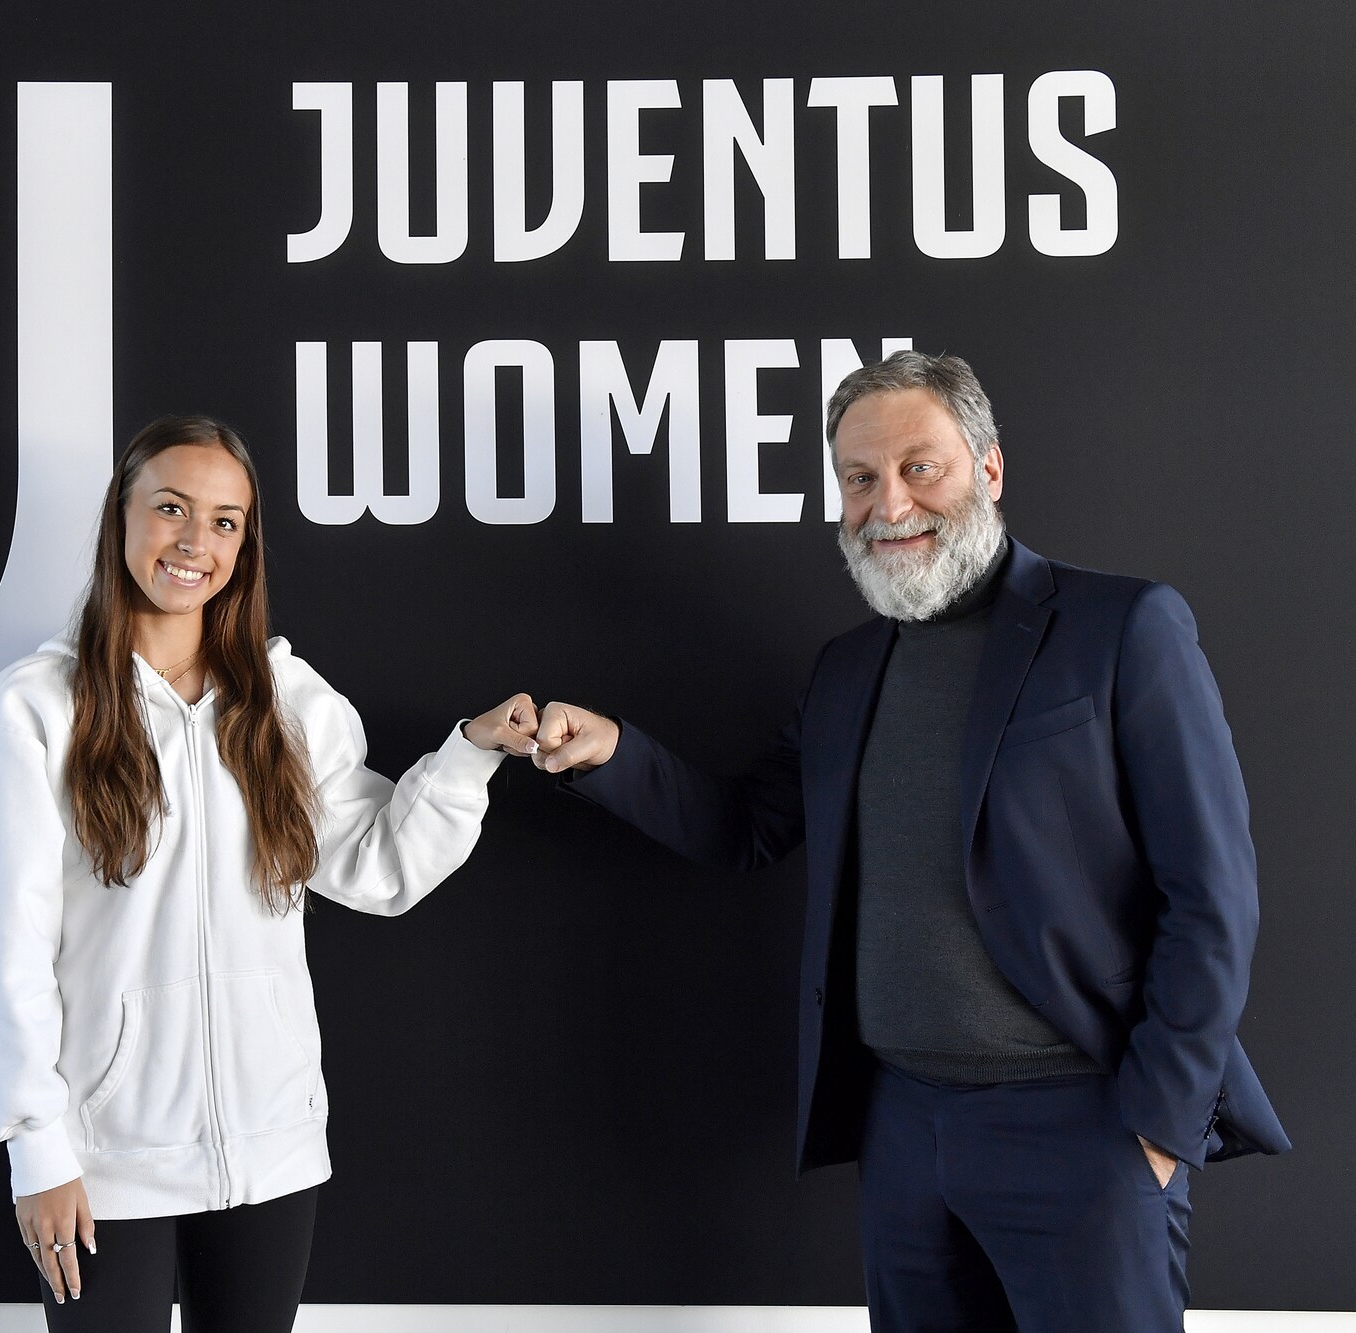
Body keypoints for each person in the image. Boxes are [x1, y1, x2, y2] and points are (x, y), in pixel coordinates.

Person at [530, 352, 1289, 1332]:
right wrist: (612, 752)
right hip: (902, 1130)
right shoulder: (845, 670)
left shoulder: (1121, 627)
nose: (887, 502)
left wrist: (1156, 1127)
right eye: (858, 477)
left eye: (917, 467)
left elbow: (1212, 895)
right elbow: (746, 827)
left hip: (1083, 1124)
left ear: (989, 468)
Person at [0, 415, 537, 1332]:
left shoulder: (286, 702)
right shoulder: (37, 707)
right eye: (172, 508)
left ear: (245, 545)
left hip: (271, 1149)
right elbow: (9, 947)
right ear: (121, 516)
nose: (195, 541)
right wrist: (36, 1146)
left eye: (225, 521)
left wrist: (470, 754)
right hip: (106, 1157)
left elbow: (380, 865)